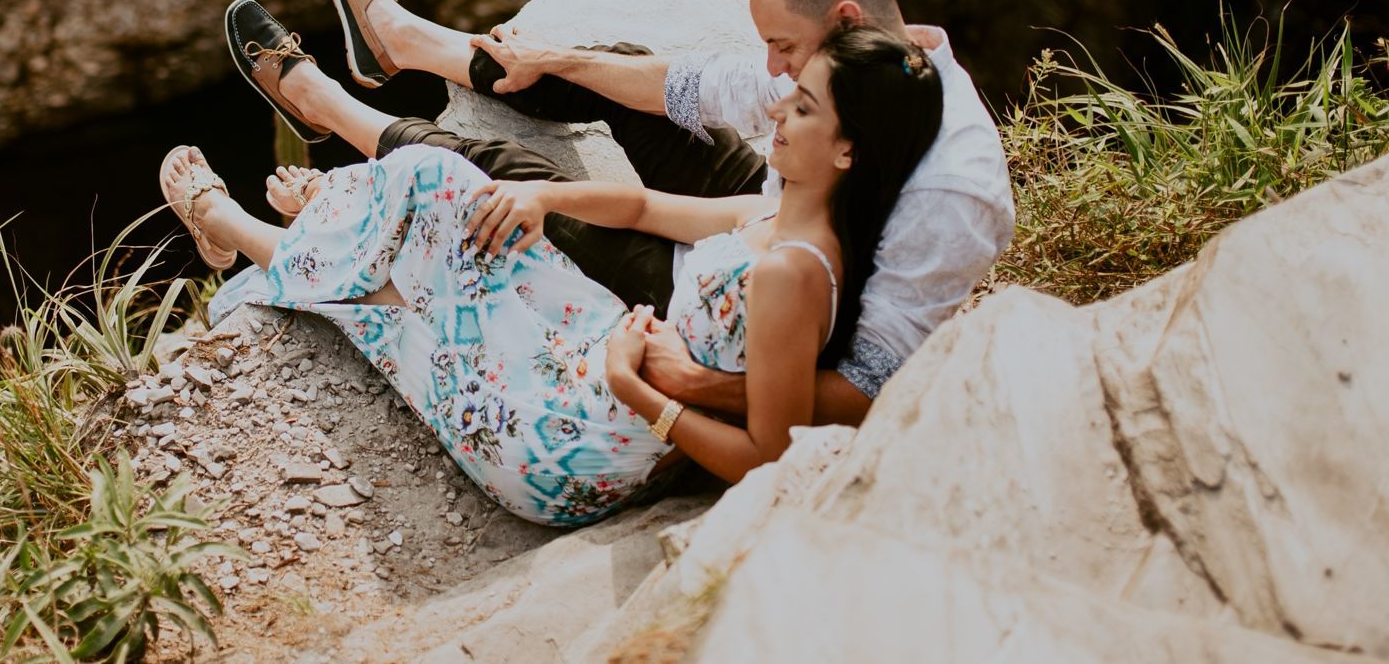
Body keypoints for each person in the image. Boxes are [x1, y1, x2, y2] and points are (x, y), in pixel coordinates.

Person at [171, 27, 944, 525]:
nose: (776, 114)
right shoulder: (779, 213)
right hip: (595, 338)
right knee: (442, 182)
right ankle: (329, 218)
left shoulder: (796, 276)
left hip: (580, 435)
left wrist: (646, 395)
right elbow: (645, 208)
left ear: (850, 152)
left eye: (802, 109)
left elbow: (771, 457)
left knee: (416, 301)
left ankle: (244, 232)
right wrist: (542, 196)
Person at [311, 0, 1014, 423]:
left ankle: (325, 108)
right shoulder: (861, 65)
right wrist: (553, 60)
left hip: (752, 316)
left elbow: (865, 387)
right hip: (763, 219)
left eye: (783, 47)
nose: (772, 68)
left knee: (505, 180)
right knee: (607, 67)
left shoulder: (954, 189)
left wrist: (696, 383)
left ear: (845, 18)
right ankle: (404, 44)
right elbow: (697, 85)